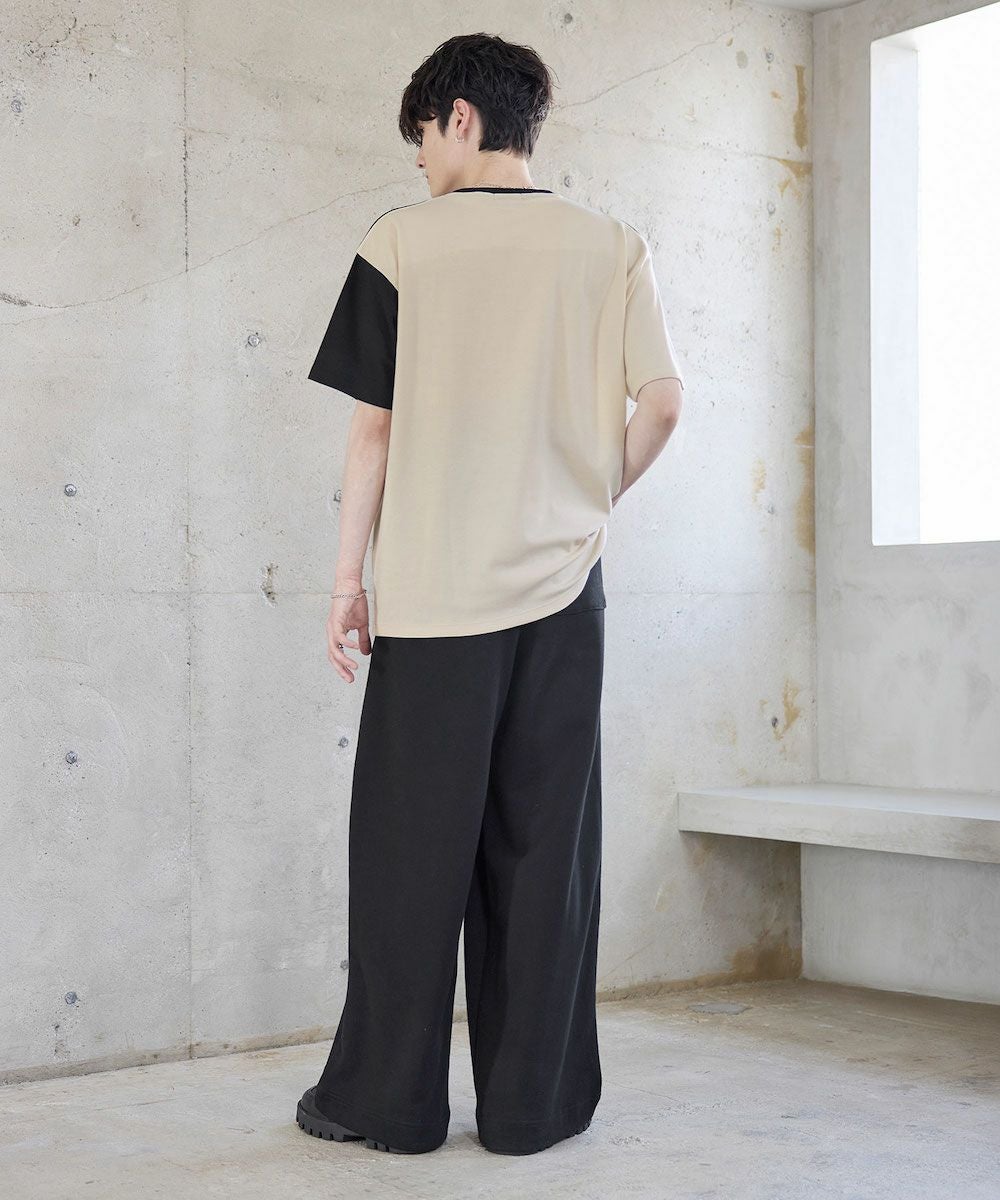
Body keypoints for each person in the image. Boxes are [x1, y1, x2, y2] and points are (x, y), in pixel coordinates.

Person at [295, 31, 685, 1157]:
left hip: (432, 601)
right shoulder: (613, 246)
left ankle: (386, 1104)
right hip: (565, 594)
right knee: (544, 855)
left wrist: (346, 581)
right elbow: (664, 403)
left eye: (422, 137)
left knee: (410, 859)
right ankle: (532, 1111)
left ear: (459, 117)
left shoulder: (401, 241)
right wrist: (586, 499)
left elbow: (373, 431)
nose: (421, 162)